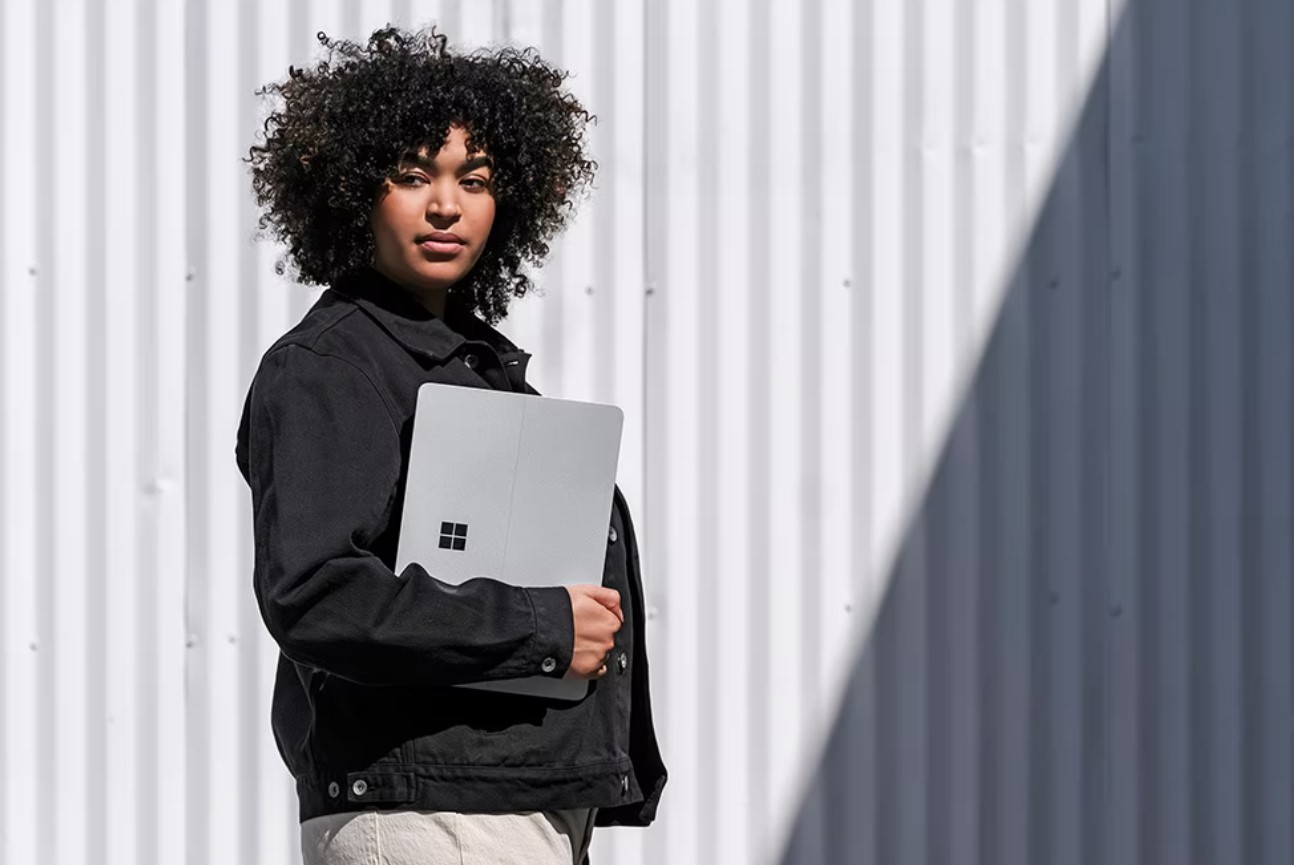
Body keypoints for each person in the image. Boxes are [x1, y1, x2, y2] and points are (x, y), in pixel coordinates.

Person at [235, 26, 666, 865]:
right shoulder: (329, 368)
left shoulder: (473, 368)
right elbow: (317, 594)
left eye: (474, 180)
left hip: (505, 809)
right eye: (412, 175)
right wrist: (541, 624)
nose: (447, 205)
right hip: (429, 818)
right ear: (354, 187)